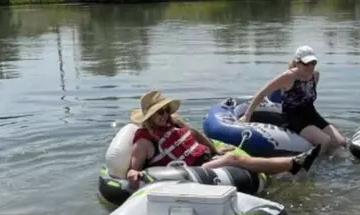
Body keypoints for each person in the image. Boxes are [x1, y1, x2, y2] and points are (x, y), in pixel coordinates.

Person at [127, 90, 321, 186]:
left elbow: (196, 134)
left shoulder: (174, 122)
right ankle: (292, 164)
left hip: (204, 160)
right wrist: (133, 175)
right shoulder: (144, 141)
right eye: (159, 113)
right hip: (188, 173)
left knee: (234, 159)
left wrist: (215, 150)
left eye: (165, 110)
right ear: (149, 117)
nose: (164, 115)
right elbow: (132, 171)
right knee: (234, 159)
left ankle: (284, 168)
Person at [240, 45, 346, 156]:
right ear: (297, 63)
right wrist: (247, 116)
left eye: (313, 63)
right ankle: (316, 168)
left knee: (341, 142)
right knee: (324, 141)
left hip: (311, 114)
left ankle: (330, 161)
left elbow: (308, 99)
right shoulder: (288, 77)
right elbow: (262, 93)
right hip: (293, 118)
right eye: (306, 63)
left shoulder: (315, 76)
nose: (310, 67)